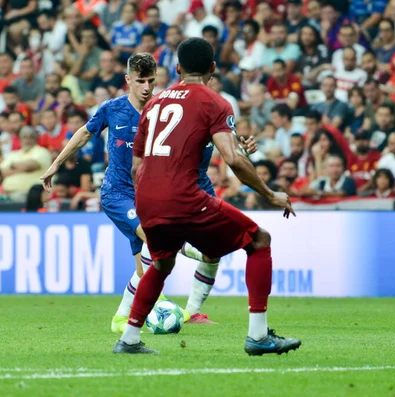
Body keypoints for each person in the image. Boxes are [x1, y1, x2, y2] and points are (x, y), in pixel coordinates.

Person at [40, 53, 257, 333]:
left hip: (152, 194)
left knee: (147, 266)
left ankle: (124, 319)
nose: (146, 87)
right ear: (128, 80)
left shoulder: (164, 108)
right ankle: (191, 249)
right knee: (155, 237)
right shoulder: (113, 108)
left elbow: (215, 130)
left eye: (151, 81)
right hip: (118, 193)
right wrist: (55, 164)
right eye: (140, 81)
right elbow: (84, 132)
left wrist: (240, 146)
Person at [112, 38, 300, 355]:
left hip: (146, 197)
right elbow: (233, 159)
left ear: (177, 69)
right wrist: (270, 193)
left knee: (161, 263)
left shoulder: (154, 104)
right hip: (184, 195)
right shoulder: (215, 102)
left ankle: (129, 339)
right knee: (259, 240)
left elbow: (136, 166)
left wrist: (151, 195)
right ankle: (258, 336)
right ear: (213, 69)